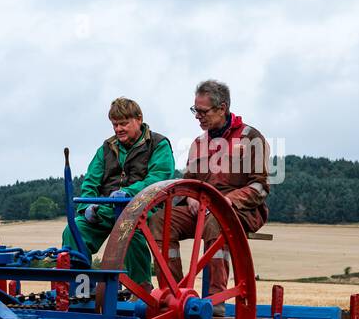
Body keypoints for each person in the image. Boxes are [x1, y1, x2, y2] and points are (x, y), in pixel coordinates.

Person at [151, 79, 271, 303]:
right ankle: (174, 297)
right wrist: (189, 199)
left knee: (217, 219)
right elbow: (188, 181)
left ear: (222, 108)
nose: (198, 116)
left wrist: (226, 200)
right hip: (202, 208)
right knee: (160, 220)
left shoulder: (251, 138)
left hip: (241, 210)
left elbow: (260, 187)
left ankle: (215, 301)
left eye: (202, 111)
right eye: (195, 110)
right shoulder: (199, 142)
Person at [62, 97, 174, 287]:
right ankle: (80, 289)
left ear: (139, 119)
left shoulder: (158, 144)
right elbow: (91, 181)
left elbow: (158, 178)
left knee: (130, 231)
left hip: (142, 207)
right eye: (115, 124)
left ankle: (139, 290)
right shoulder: (106, 148)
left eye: (124, 123)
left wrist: (129, 192)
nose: (118, 129)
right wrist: (87, 207)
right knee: (75, 230)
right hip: (106, 208)